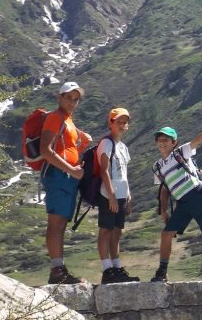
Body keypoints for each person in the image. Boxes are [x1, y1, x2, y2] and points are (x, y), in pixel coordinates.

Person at [151, 121, 202, 283]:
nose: (162, 142)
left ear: (174, 143)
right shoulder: (157, 167)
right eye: (160, 139)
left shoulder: (180, 153)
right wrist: (164, 211)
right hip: (182, 202)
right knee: (166, 234)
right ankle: (162, 272)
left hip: (197, 195)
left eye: (166, 140)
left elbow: (197, 142)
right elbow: (164, 189)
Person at [41, 81, 92, 285]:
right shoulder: (55, 118)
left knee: (61, 222)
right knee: (56, 222)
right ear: (59, 97)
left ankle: (59, 269)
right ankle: (57, 270)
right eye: (68, 98)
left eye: (76, 99)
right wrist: (71, 170)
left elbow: (64, 150)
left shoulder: (67, 120)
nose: (72, 102)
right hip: (58, 174)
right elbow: (46, 149)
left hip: (66, 175)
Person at [97, 108, 139, 284]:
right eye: (118, 122)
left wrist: (128, 196)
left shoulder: (123, 147)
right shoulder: (106, 143)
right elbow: (104, 171)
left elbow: (124, 173)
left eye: (124, 122)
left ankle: (116, 267)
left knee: (117, 231)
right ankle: (107, 270)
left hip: (121, 194)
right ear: (110, 123)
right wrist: (112, 196)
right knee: (106, 230)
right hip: (108, 194)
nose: (122, 125)